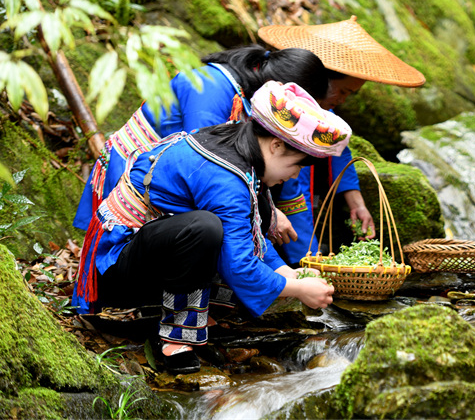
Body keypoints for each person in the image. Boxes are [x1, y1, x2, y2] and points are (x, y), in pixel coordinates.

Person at [72, 82, 346, 374]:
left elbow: (246, 229)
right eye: (297, 166)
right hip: (113, 271)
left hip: (152, 248)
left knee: (259, 206)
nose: (294, 175)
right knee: (204, 229)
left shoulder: (240, 145)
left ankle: (196, 311)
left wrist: (287, 274)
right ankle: (175, 340)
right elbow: (239, 264)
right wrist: (298, 289)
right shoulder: (226, 177)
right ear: (276, 145)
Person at [73, 46, 329, 245]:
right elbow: (207, 161)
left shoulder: (244, 92)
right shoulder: (212, 87)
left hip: (168, 177)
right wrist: (266, 213)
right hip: (135, 178)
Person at [257, 16, 426, 264]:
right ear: (316, 80)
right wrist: (309, 259)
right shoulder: (289, 120)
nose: (344, 100)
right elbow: (295, 186)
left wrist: (355, 200)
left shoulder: (320, 112)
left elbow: (340, 148)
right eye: (344, 91)